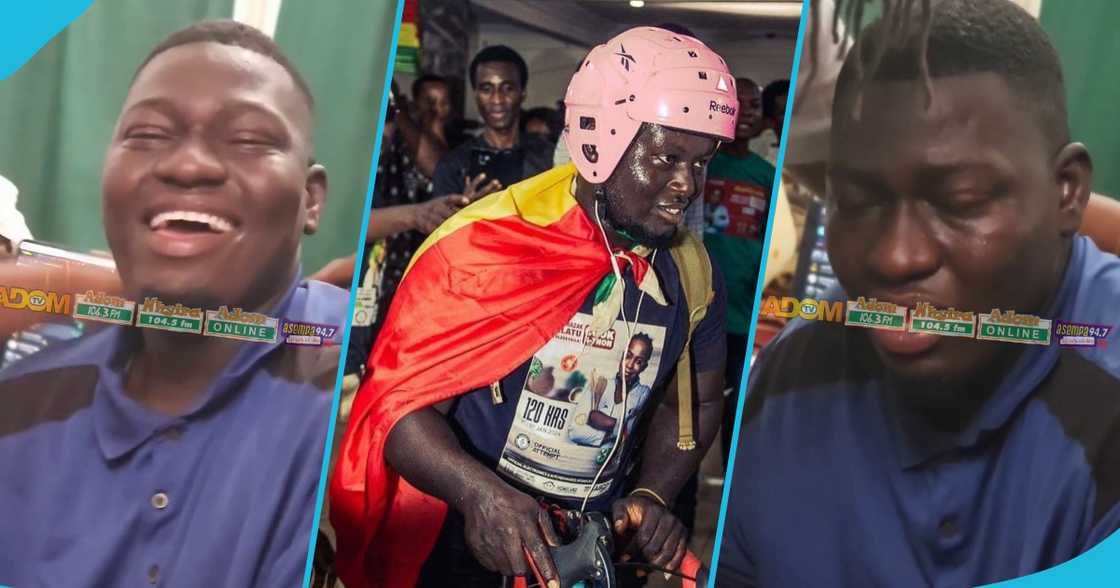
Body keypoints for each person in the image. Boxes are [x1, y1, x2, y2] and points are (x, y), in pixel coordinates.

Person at [717, 1, 1120, 586]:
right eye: (858, 202)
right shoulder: (788, 381)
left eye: (960, 202)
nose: (895, 256)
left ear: (1065, 193)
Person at [330, 26, 739, 588]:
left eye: (702, 162)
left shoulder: (693, 272)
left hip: (586, 553)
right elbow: (397, 409)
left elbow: (693, 402)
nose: (687, 185)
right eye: (668, 157)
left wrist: (651, 495)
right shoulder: (482, 245)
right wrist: (479, 493)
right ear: (604, 140)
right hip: (464, 544)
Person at [0, 21, 348, 587]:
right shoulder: (21, 411)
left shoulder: (352, 390)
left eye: (249, 139)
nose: (188, 166)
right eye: (149, 134)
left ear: (311, 200)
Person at [699, 76, 775, 468]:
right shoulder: (704, 163)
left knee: (738, 407)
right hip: (702, 308)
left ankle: (733, 484)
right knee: (694, 408)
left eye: (755, 105)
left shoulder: (766, 174)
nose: (747, 112)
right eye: (739, 103)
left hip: (745, 311)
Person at [430, 45, 554, 203]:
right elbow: (440, 226)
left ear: (522, 93)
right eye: (486, 89)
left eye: (507, 88)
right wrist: (464, 214)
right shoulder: (452, 165)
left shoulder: (549, 158)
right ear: (476, 94)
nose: (497, 99)